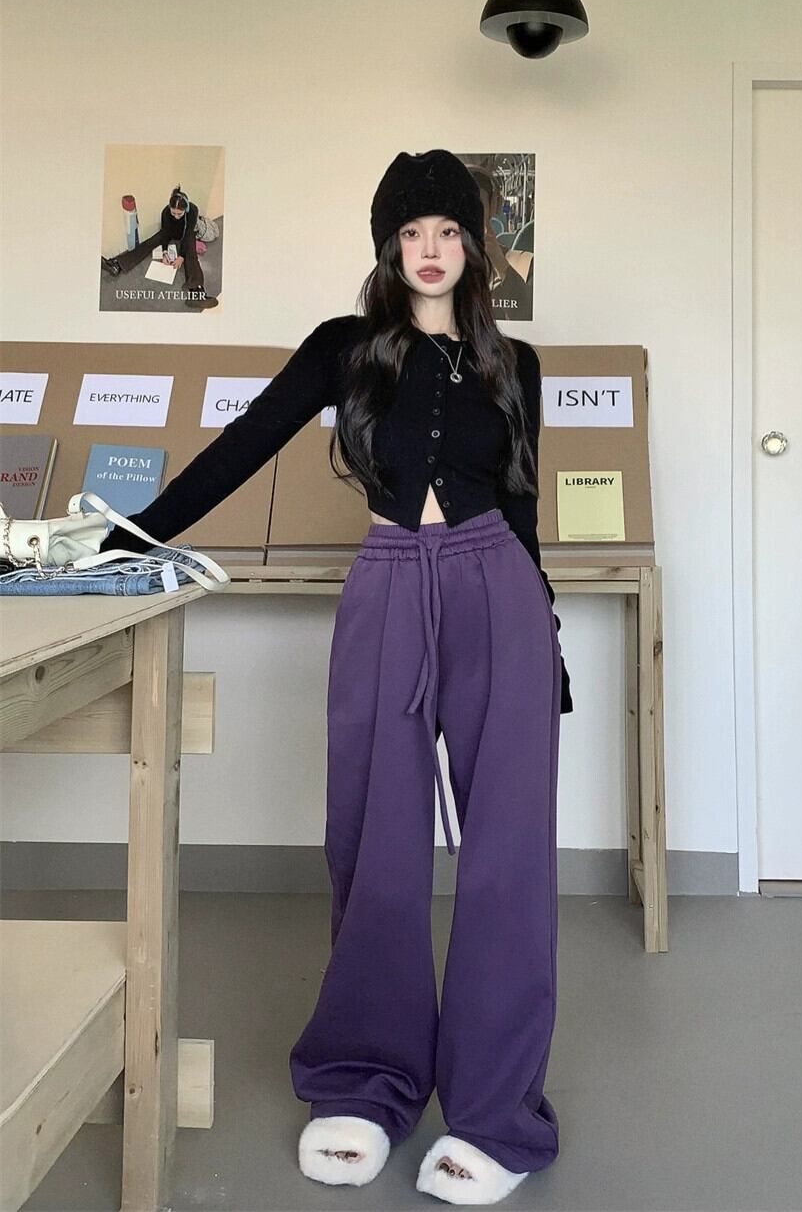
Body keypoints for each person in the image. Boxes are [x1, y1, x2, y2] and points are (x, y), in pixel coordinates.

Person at [99, 149, 572, 1205]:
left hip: (499, 593)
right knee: (371, 837)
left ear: (473, 245)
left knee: (507, 859)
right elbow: (238, 451)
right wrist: (127, 538)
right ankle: (365, 1081)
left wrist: (547, 641)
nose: (430, 250)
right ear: (387, 247)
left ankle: (493, 1113)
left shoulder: (517, 363)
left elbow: (523, 506)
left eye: (447, 231)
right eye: (411, 233)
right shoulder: (343, 350)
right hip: (388, 584)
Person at [101, 184, 219, 310]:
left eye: (179, 214)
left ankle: (197, 292)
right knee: (152, 240)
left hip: (187, 233)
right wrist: (164, 252)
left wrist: (181, 256)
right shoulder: (166, 212)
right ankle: (117, 264)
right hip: (173, 232)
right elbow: (165, 233)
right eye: (173, 213)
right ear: (169, 208)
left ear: (186, 209)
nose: (176, 216)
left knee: (190, 248)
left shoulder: (193, 210)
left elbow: (188, 233)